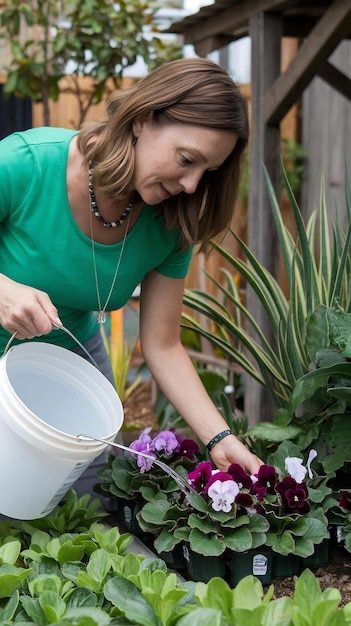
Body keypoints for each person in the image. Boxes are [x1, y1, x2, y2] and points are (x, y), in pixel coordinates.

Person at [0, 57, 261, 479]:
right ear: (142, 120)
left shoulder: (173, 222)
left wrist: (220, 439)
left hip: (67, 365)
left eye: (206, 171)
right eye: (186, 158)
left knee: (81, 504)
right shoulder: (27, 164)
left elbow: (163, 345)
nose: (192, 184)